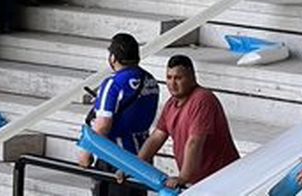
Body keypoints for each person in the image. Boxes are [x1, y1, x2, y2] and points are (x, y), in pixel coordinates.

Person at [138, 55, 240, 187]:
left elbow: (194, 142)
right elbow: (156, 137)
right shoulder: (170, 104)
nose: (172, 83)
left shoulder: (203, 99)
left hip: (222, 181)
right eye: (169, 77)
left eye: (178, 78)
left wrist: (183, 177)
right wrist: (134, 166)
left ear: (192, 78)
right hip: (199, 184)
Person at [78, 34, 159, 196]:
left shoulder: (113, 83)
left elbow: (102, 126)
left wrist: (85, 154)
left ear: (113, 57)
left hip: (115, 160)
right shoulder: (151, 81)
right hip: (142, 160)